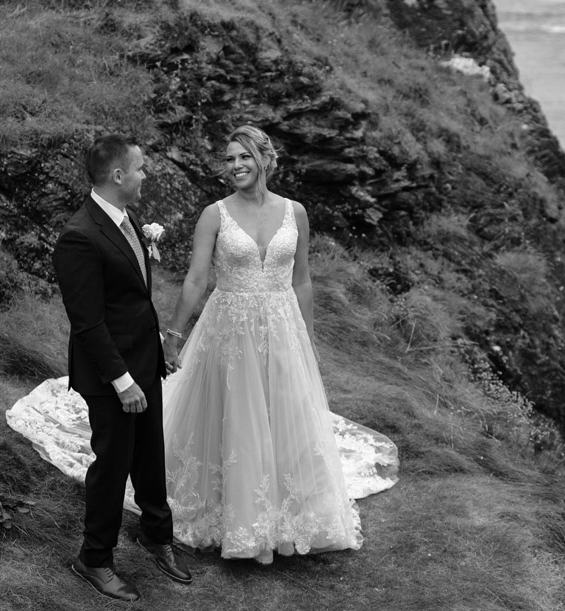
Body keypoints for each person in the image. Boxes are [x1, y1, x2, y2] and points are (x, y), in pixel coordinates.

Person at [158, 125, 364, 562]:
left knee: (284, 415)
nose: (235, 166)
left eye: (244, 157)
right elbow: (196, 279)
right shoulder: (214, 214)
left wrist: (307, 341)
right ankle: (240, 521)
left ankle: (289, 519)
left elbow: (303, 280)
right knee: (236, 418)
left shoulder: (296, 212)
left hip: (283, 327)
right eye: (229, 159)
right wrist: (173, 335)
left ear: (265, 159)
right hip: (230, 330)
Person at [52, 134, 192, 602]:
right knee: (112, 466)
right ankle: (93, 559)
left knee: (151, 454)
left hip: (143, 361)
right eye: (141, 169)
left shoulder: (126, 218)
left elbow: (130, 301)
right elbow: (88, 324)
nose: (145, 175)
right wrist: (123, 381)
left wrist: (154, 352)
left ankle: (156, 536)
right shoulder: (79, 235)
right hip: (111, 374)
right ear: (117, 175)